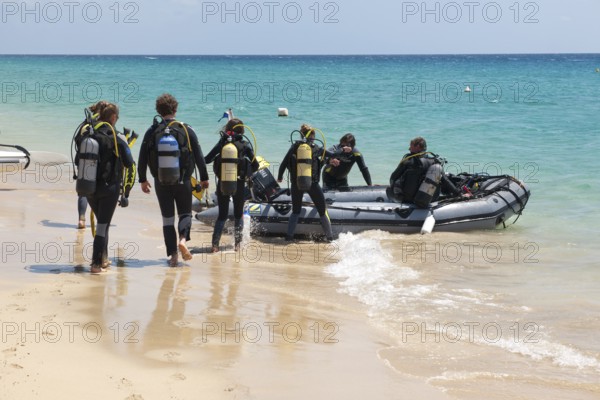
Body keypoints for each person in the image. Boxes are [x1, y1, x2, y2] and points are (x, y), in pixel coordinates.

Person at [137, 94, 210, 267]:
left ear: (158, 111)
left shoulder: (152, 131)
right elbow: (199, 155)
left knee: (167, 219)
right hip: (183, 181)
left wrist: (142, 179)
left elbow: (142, 157)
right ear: (175, 109)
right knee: (185, 213)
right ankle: (183, 241)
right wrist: (205, 178)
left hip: (161, 182)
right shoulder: (186, 129)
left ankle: (173, 256)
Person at [84, 103, 135, 273]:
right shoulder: (116, 136)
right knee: (103, 225)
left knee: (102, 223)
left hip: (89, 186)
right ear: (113, 117)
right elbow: (129, 164)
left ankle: (103, 259)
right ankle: (96, 264)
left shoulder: (88, 133)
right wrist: (126, 191)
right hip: (109, 188)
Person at [277, 124, 349, 242]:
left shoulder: (295, 146)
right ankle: (329, 238)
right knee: (322, 210)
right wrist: (343, 149)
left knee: (295, 211)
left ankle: (289, 237)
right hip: (312, 184)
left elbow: (284, 163)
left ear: (301, 134)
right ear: (313, 136)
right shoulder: (316, 148)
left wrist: (280, 177)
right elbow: (332, 155)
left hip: (296, 183)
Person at [204, 118, 259, 252]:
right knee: (238, 214)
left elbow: (207, 159)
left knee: (222, 215)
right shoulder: (244, 144)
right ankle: (238, 245)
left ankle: (215, 245)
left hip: (223, 182)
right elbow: (256, 165)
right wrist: (247, 172)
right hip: (239, 183)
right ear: (242, 130)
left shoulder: (222, 143)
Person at [389, 136, 465, 208]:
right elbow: (445, 180)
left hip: (407, 199)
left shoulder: (408, 161)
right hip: (428, 199)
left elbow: (393, 178)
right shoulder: (434, 162)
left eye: (411, 146)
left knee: (388, 190)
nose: (409, 148)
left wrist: (396, 190)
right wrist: (459, 194)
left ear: (418, 146)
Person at [75, 100, 110, 229]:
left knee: (83, 191)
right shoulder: (106, 124)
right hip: (99, 164)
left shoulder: (86, 124)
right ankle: (100, 220)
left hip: (84, 160)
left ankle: (81, 220)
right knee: (100, 192)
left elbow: (77, 140)